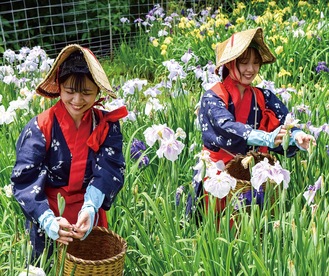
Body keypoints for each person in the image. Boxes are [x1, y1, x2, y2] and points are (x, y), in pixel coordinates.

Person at [11, 44, 128, 260]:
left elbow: (110, 169)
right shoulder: (40, 127)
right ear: (59, 86)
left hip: (88, 213)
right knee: (47, 264)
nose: (77, 100)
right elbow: (25, 179)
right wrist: (47, 219)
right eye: (69, 91)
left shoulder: (106, 125)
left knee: (89, 266)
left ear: (98, 92)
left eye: (86, 93)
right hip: (49, 212)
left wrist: (91, 207)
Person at [186, 27, 316, 221]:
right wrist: (266, 138)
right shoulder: (213, 97)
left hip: (258, 176)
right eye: (244, 63)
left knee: (258, 227)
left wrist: (297, 136)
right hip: (220, 175)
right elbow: (226, 125)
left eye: (256, 63)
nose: (251, 69)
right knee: (221, 229)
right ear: (230, 64)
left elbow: (282, 122)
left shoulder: (262, 96)